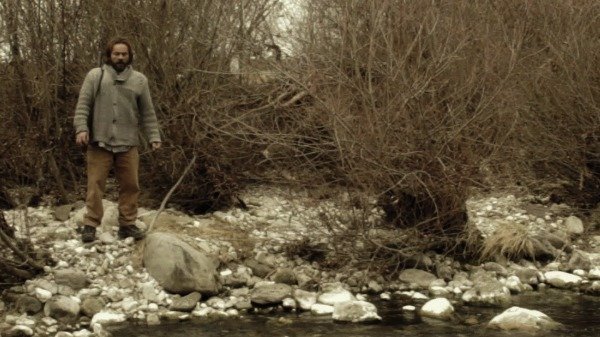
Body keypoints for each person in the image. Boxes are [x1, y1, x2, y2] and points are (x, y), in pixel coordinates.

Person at [73, 37, 161, 243]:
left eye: (124, 54)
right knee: (95, 184)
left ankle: (127, 225)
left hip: (128, 142)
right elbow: (83, 105)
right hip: (99, 141)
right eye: (116, 54)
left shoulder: (139, 80)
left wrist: (154, 136)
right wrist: (81, 129)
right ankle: (90, 226)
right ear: (109, 55)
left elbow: (148, 112)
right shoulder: (96, 76)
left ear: (129, 57)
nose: (120, 57)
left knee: (130, 185)